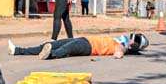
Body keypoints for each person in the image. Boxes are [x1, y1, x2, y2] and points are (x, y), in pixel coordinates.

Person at [8, 33, 148, 60]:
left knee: (66, 49)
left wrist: (119, 55)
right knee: (49, 44)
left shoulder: (122, 47)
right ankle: (17, 50)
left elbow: (119, 52)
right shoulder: (121, 40)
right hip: (84, 39)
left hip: (88, 47)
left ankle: (50, 54)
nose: (131, 40)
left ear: (134, 47)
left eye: (134, 41)